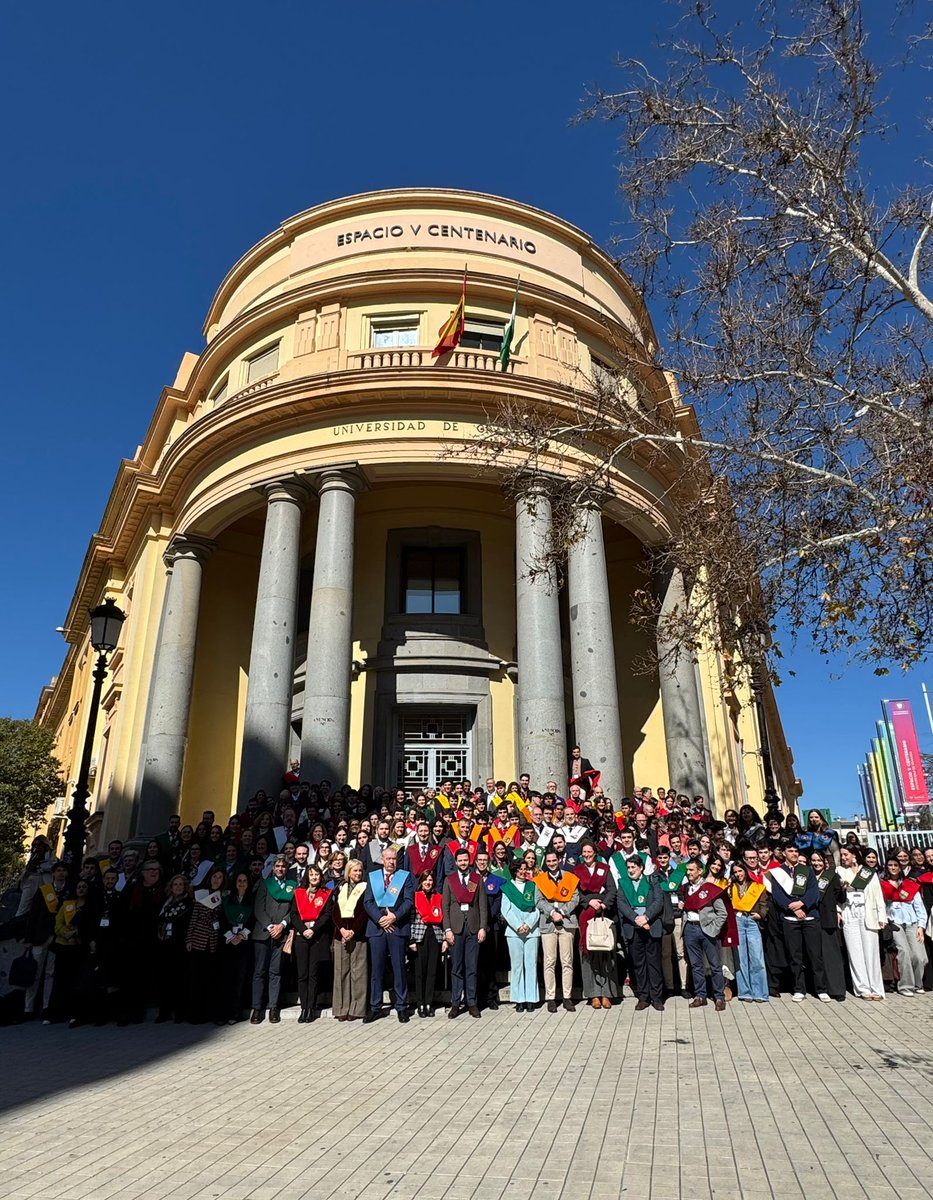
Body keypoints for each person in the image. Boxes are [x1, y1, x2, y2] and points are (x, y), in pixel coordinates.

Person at [768, 843, 830, 1002]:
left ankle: (821, 989)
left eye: (796, 851)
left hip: (810, 917)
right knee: (795, 956)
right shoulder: (778, 873)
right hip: (790, 919)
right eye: (790, 851)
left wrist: (802, 904)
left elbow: (814, 893)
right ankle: (799, 988)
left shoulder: (807, 870)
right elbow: (778, 895)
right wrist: (794, 909)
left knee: (815, 955)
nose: (794, 853)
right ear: (783, 853)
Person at [363, 845, 415, 1022]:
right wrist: (381, 919)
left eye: (394, 859)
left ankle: (401, 1006)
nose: (391, 862)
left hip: (397, 927)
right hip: (377, 929)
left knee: (399, 968)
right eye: (388, 859)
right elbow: (368, 902)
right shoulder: (373, 877)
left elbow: (409, 901)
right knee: (376, 970)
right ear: (382, 860)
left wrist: (394, 916)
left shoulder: (404, 877)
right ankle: (375, 1006)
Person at [442, 846, 489, 1018]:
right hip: (455, 929)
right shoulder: (450, 880)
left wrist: (483, 927)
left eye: (465, 860)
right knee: (457, 968)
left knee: (472, 967)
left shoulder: (476, 879)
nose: (463, 863)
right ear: (456, 862)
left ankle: (472, 1003)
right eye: (460, 860)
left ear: (470, 861)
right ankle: (455, 1003)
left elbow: (483, 906)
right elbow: (445, 907)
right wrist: (447, 929)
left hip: (473, 928)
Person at [250, 855, 296, 1024]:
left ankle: (273, 1007)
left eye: (283, 866)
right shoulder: (265, 883)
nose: (280, 869)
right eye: (277, 866)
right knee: (259, 972)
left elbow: (293, 910)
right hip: (263, 933)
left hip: (281, 934)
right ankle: (257, 1008)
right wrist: (270, 926)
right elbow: (258, 909)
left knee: (275, 972)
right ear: (273, 868)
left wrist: (282, 925)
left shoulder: (292, 886)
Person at [535, 847, 581, 1013]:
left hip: (567, 922)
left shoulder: (569, 878)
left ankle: (567, 997)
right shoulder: (540, 880)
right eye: (548, 861)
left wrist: (562, 912)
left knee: (567, 961)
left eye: (554, 860)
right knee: (549, 962)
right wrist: (552, 912)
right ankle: (551, 997)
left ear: (559, 860)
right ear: (545, 863)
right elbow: (538, 901)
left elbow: (575, 898)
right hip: (548, 923)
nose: (552, 863)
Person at [616, 854, 665, 1011]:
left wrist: (646, 917)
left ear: (641, 868)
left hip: (651, 925)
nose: (630, 870)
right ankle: (643, 997)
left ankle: (657, 997)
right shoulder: (623, 883)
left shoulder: (652, 881)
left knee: (654, 963)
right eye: (628, 867)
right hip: (633, 927)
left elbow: (658, 902)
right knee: (639, 964)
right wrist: (636, 918)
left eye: (633, 867)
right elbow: (621, 904)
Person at [837, 845, 886, 1001]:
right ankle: (862, 988)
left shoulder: (868, 872)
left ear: (854, 855)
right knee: (855, 951)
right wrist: (839, 910)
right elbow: (836, 895)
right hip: (849, 912)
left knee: (871, 951)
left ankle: (876, 988)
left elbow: (878, 894)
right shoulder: (839, 871)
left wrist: (882, 916)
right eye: (842, 855)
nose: (843, 857)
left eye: (846, 854)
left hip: (867, 912)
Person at [574, 841, 619, 1008]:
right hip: (586, 913)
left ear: (595, 852)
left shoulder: (604, 869)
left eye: (589, 852)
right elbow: (575, 892)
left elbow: (612, 889)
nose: (586, 855)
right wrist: (589, 901)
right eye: (584, 852)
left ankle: (607, 993)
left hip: (603, 913)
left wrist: (604, 904)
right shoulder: (577, 870)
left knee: (606, 953)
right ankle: (593, 994)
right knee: (588, 953)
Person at [22, 861, 68, 1020]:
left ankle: (47, 1007)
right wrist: (28, 938)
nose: (61, 873)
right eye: (58, 871)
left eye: (63, 871)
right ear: (53, 874)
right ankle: (28, 1008)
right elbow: (32, 916)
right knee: (35, 972)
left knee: (50, 974)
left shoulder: (69, 892)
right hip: (39, 937)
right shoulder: (44, 891)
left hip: (57, 938)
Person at [681, 859, 728, 1011]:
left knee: (715, 965)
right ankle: (700, 995)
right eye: (687, 870)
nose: (688, 873)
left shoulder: (710, 889)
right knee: (696, 965)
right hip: (690, 929)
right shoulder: (686, 888)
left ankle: (719, 997)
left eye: (691, 870)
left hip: (707, 930)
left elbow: (722, 913)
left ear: (700, 871)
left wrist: (713, 929)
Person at [290, 864, 334, 1022]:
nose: (314, 877)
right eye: (311, 875)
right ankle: (303, 1008)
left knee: (313, 973)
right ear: (307, 877)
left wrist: (313, 930)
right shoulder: (299, 893)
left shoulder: (326, 893)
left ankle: (311, 1007)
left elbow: (327, 915)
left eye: (317, 875)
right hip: (302, 936)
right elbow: (294, 914)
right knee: (302, 974)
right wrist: (303, 930)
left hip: (317, 936)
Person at [185, 867, 227, 1024]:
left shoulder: (224, 896)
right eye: (214, 877)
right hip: (199, 940)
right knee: (196, 979)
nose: (216, 880)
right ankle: (195, 1014)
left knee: (211, 979)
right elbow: (193, 918)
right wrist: (189, 939)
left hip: (214, 942)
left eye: (219, 877)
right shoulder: (201, 895)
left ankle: (209, 1013)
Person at [881, 857, 927, 996]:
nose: (893, 867)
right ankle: (906, 986)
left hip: (912, 923)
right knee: (904, 953)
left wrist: (921, 926)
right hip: (895, 923)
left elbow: (919, 907)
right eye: (890, 865)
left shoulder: (909, 884)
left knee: (920, 957)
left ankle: (918, 984)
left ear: (900, 868)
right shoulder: (883, 885)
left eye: (896, 865)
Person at [501, 862, 541, 1012]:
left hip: (531, 931)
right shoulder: (507, 888)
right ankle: (518, 999)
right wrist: (518, 925)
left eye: (525, 869)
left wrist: (528, 925)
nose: (523, 872)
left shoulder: (533, 886)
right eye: (520, 869)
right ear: (514, 871)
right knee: (517, 965)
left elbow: (537, 908)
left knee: (531, 964)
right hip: (513, 931)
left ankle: (531, 998)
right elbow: (506, 910)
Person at [332, 859, 369, 1021]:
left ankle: (357, 1008)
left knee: (358, 972)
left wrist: (353, 931)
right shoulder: (340, 887)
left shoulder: (366, 888)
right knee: (341, 971)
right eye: (355, 871)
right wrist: (342, 929)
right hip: (340, 934)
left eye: (360, 871)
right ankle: (341, 1008)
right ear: (348, 872)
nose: (358, 873)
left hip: (358, 934)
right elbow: (334, 911)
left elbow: (364, 912)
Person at [809, 849, 846, 1001]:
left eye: (819, 860)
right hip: (811, 919)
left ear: (825, 862)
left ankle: (837, 989)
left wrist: (843, 888)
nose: (816, 863)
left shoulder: (832, 876)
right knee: (816, 957)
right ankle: (820, 988)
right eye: (814, 860)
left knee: (832, 956)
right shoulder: (808, 877)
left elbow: (841, 898)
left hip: (827, 920)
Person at [155, 874, 193, 1023]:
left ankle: (179, 1012)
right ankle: (164, 1011)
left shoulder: (189, 904)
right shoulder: (165, 903)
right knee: (163, 980)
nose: (177, 887)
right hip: (164, 944)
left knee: (178, 980)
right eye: (175, 884)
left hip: (179, 946)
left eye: (180, 885)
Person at [730, 861, 769, 1002]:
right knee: (741, 958)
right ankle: (745, 991)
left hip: (752, 921)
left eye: (740, 871)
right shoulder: (731, 887)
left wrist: (761, 915)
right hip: (738, 921)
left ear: (745, 871)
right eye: (735, 872)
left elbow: (764, 903)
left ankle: (760, 992)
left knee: (756, 957)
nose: (738, 874)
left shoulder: (756, 887)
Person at [410, 869, 446, 1017]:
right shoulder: (416, 897)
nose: (428, 883)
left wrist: (444, 939)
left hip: (435, 935)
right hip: (420, 936)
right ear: (421, 882)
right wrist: (411, 939)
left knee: (432, 972)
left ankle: (429, 1003)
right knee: (420, 972)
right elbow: (411, 919)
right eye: (425, 880)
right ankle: (420, 1003)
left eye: (430, 880)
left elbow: (444, 920)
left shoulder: (439, 897)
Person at [221, 870, 254, 1023]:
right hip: (228, 943)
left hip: (244, 943)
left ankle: (235, 1013)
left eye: (244, 881)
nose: (242, 883)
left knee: (240, 978)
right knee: (226, 978)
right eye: (239, 881)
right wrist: (230, 936)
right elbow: (221, 920)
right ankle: (223, 1012)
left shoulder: (251, 900)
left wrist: (241, 936)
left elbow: (253, 920)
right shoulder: (227, 900)